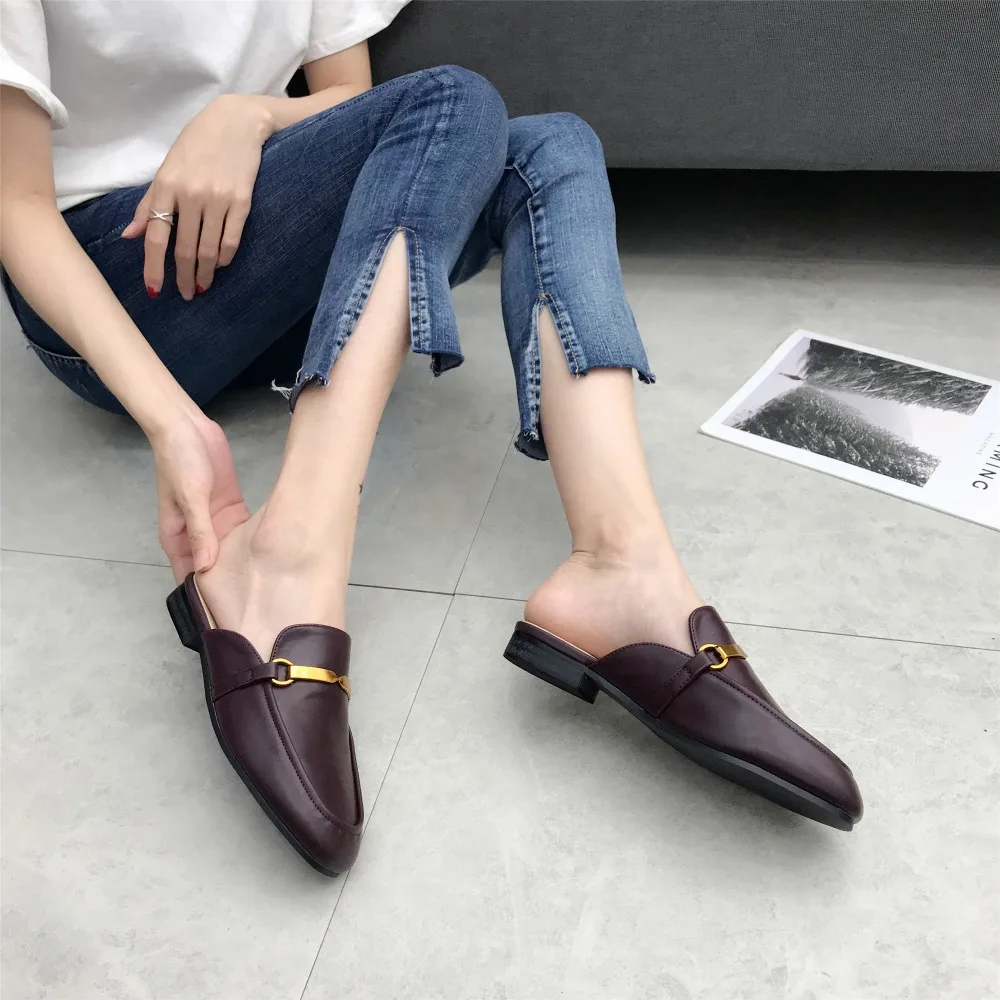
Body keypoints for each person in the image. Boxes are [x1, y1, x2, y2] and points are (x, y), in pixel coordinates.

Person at [0, 0, 861, 875]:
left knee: (552, 145)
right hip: (117, 286)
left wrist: (248, 115)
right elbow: (15, 201)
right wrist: (172, 421)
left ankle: (623, 571)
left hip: (277, 253)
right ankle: (287, 558)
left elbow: (353, 101)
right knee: (454, 99)